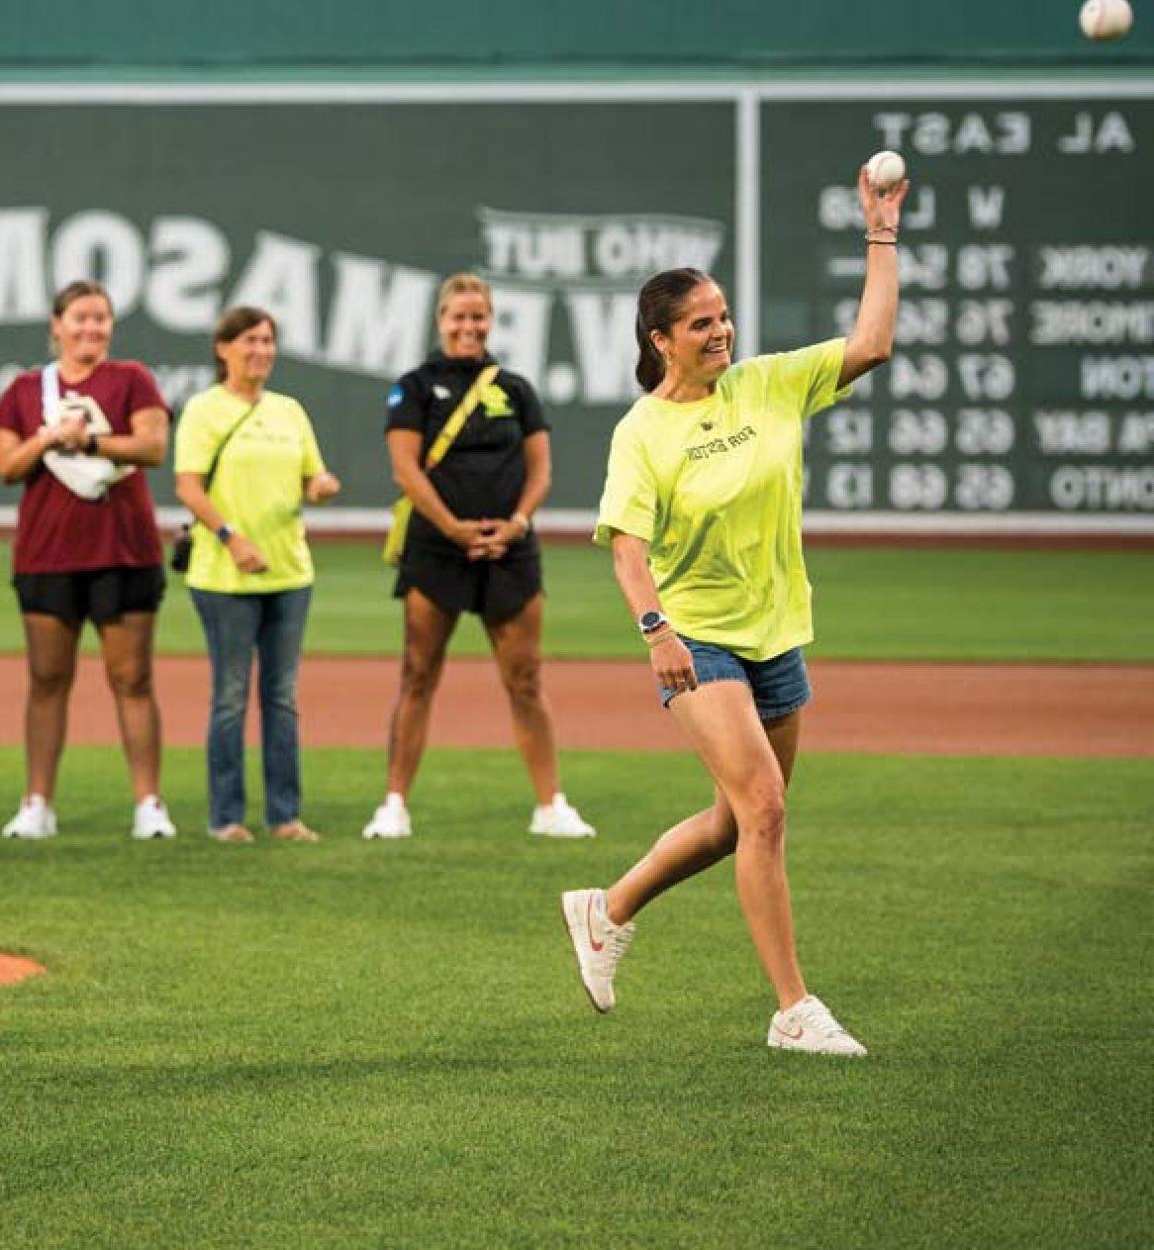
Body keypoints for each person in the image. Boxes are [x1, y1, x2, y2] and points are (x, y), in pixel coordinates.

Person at [561, 166, 908, 1058]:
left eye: (723, 315)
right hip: (697, 636)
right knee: (764, 808)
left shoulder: (768, 384)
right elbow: (627, 549)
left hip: (778, 629)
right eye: (701, 322)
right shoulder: (643, 431)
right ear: (661, 340)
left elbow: (871, 343)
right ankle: (793, 1008)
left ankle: (608, 908)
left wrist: (880, 233)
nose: (721, 331)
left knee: (736, 818)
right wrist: (657, 632)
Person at [364, 273, 591, 842]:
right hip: (437, 547)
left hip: (509, 550)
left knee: (525, 679)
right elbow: (405, 469)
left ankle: (550, 806)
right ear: (441, 321)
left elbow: (540, 468)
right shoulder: (415, 386)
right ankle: (393, 804)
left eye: (478, 317)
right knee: (418, 674)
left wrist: (515, 525)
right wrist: (453, 528)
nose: (469, 326)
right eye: (458, 317)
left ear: (491, 320)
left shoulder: (515, 388)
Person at [0, 280, 175, 841]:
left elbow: (153, 447)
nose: (90, 329)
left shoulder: (132, 380)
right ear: (57, 325)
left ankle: (149, 805)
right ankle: (37, 803)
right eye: (79, 318)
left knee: (132, 679)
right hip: (47, 555)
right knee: (47, 679)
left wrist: (91, 442)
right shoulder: (24, 390)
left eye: (100, 319)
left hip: (124, 550)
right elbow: (7, 465)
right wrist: (50, 437)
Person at [173, 307, 340, 842]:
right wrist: (232, 538)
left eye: (268, 340)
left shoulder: (288, 410)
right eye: (250, 340)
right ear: (223, 348)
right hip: (224, 575)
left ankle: (284, 815)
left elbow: (312, 474)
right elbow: (188, 486)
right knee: (230, 695)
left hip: (288, 570)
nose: (261, 350)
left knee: (282, 695)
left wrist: (320, 487)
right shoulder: (204, 410)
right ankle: (226, 817)